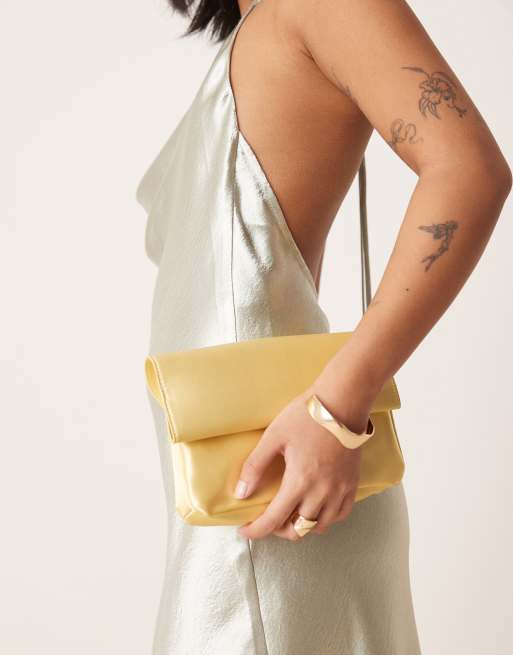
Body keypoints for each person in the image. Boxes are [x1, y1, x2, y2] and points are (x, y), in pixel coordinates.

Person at [136, 1, 511, 653]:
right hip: (234, 488)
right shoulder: (260, 32)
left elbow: (469, 172)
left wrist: (335, 410)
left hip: (284, 485)